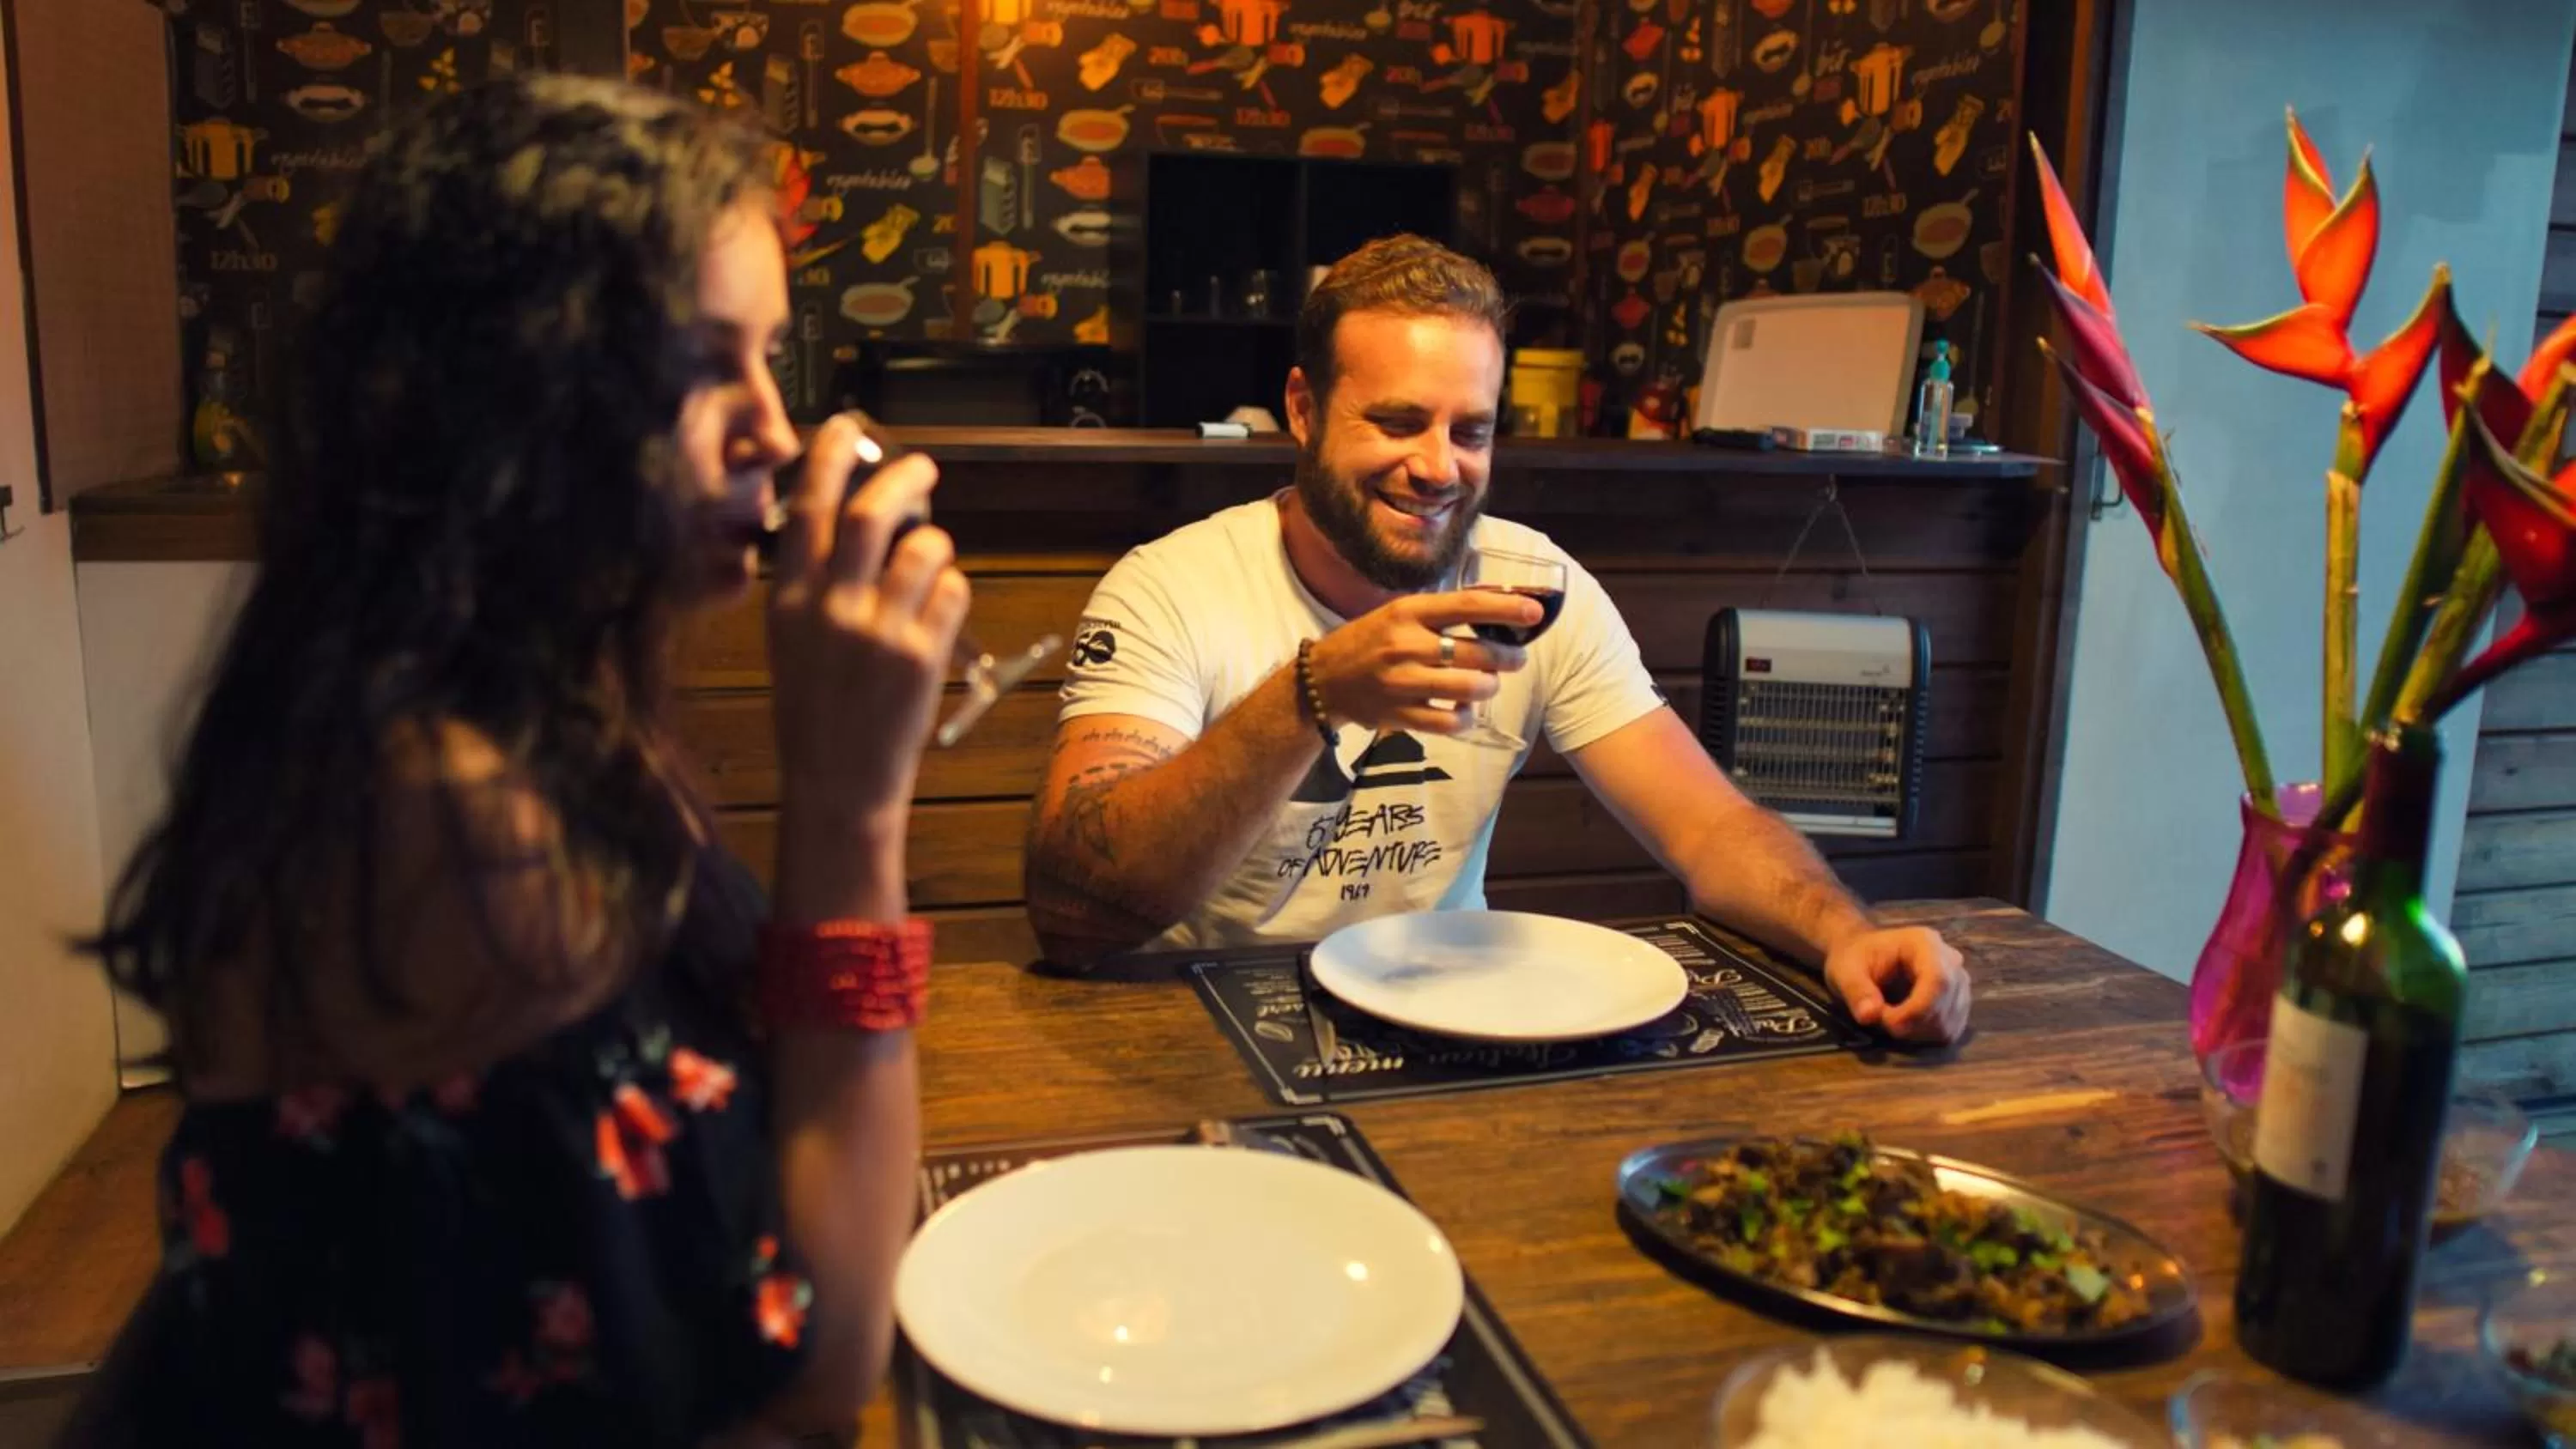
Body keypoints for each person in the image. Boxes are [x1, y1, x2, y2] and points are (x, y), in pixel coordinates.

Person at [84, 76, 966, 1446]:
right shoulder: (455, 825)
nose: (777, 435)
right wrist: (854, 799)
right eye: (696, 366)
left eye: (769, 358)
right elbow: (808, 1380)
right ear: (507, 394)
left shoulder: (512, 698)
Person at [1024, 235, 1970, 1044]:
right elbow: (1072, 912)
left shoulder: (1532, 584)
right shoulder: (1172, 587)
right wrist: (1311, 693)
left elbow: (1713, 830)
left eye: (1469, 430)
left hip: (1450, 1024)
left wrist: (1844, 931)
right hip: (1199, 1027)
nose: (1438, 466)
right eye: (1396, 421)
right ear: (1305, 411)